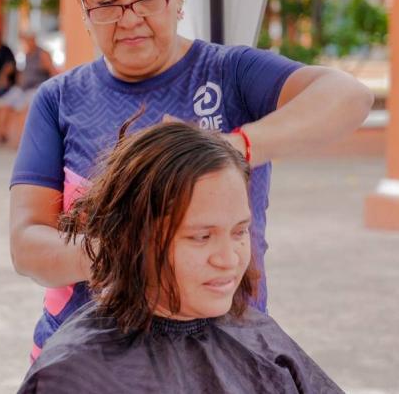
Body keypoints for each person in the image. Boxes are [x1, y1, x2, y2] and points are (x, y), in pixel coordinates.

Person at [10, 0, 373, 360]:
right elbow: (27, 242)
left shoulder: (230, 73)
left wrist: (233, 147)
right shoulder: (60, 99)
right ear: (82, 2)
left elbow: (349, 96)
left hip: (222, 355)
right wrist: (119, 254)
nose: (129, 18)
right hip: (85, 358)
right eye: (106, 3)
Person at [18, 121, 342, 393]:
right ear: (133, 239)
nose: (229, 259)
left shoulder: (262, 339)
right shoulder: (75, 374)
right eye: (201, 237)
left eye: (239, 232)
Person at [0, 32, 59, 144]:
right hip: (22, 90)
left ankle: (22, 140)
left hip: (35, 89)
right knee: (3, 105)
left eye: (28, 40)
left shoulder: (42, 54)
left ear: (33, 40)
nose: (26, 43)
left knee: (25, 109)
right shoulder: (27, 55)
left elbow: (54, 73)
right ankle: (0, 135)